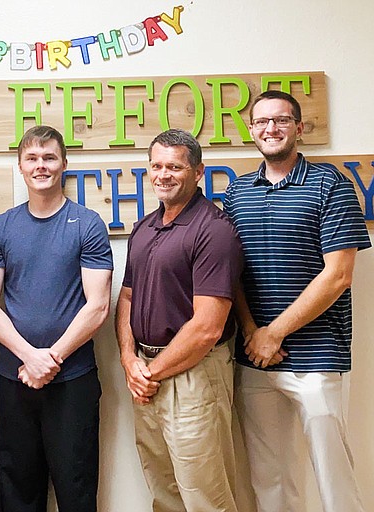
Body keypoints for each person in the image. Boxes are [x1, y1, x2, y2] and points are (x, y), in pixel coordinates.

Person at [223, 90, 370, 512]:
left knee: (333, 474)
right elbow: (233, 277)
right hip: (255, 357)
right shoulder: (236, 196)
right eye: (262, 122)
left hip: (318, 358)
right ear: (251, 130)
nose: (271, 129)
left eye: (281, 120)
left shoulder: (331, 186)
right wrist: (253, 333)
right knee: (269, 478)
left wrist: (275, 332)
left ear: (299, 129)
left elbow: (338, 275)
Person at [0, 125, 113, 512]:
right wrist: (29, 357)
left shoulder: (88, 224)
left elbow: (98, 306)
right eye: (32, 158)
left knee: (77, 484)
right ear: (20, 166)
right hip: (15, 378)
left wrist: (50, 359)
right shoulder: (1, 227)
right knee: (18, 486)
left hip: (73, 380)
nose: (41, 166)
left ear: (64, 164)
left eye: (49, 157)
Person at [115, 129, 243, 512]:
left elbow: (208, 327)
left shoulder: (214, 231)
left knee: (205, 495)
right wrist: (128, 359)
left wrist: (149, 373)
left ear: (198, 172)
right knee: (164, 490)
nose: (163, 174)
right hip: (146, 372)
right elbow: (127, 297)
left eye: (175, 166)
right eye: (156, 165)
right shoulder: (144, 227)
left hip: (194, 375)